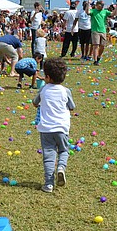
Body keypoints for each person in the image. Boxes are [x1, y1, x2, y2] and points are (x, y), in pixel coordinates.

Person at [33, 58, 76, 193]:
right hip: (62, 128)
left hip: (46, 129)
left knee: (49, 155)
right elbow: (72, 106)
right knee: (63, 150)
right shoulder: (65, 91)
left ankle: (49, 184)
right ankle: (61, 168)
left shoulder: (43, 89)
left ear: (48, 77)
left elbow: (35, 102)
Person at [89, 0, 111, 65]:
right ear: (97, 5)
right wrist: (88, 3)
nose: (102, 6)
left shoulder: (105, 11)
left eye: (103, 5)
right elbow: (87, 12)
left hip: (103, 31)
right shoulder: (93, 11)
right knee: (96, 46)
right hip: (95, 31)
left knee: (103, 46)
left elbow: (113, 14)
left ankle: (98, 57)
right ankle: (95, 61)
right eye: (101, 4)